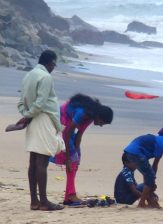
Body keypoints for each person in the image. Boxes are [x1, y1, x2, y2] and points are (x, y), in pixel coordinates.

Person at [17, 49, 65, 211]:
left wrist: (26, 115)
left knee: (33, 161)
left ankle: (34, 201)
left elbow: (22, 101)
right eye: (53, 64)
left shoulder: (28, 75)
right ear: (50, 63)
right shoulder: (46, 77)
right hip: (43, 118)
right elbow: (41, 102)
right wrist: (29, 115)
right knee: (42, 161)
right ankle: (43, 201)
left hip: (33, 119)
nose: (53, 67)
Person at [51, 94, 113, 204]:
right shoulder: (82, 113)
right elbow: (67, 133)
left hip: (69, 127)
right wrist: (68, 157)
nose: (101, 125)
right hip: (60, 122)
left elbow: (79, 135)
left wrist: (76, 152)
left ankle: (68, 197)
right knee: (72, 159)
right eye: (102, 123)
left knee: (76, 159)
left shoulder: (90, 117)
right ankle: (71, 195)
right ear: (99, 117)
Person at [122, 132, 163, 208]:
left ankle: (149, 201)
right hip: (136, 152)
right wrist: (152, 180)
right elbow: (155, 164)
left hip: (129, 151)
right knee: (150, 177)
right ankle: (142, 203)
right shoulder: (161, 145)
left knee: (148, 176)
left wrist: (151, 180)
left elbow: (150, 169)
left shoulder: (159, 139)